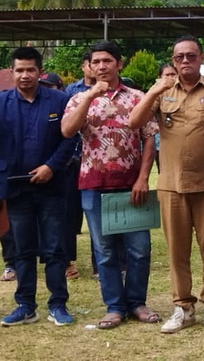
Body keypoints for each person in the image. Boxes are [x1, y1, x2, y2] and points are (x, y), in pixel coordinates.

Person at [129, 35, 204, 334]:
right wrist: (154, 89)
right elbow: (134, 122)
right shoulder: (163, 92)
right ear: (173, 61)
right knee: (177, 251)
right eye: (179, 57)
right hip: (171, 185)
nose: (185, 61)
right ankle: (183, 308)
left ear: (201, 57)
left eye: (191, 56)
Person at [61, 41, 160, 329]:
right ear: (90, 66)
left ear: (120, 64)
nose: (102, 66)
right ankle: (114, 307)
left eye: (107, 61)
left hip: (131, 185)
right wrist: (90, 95)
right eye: (96, 62)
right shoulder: (78, 98)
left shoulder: (137, 97)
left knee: (139, 249)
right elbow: (67, 131)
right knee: (104, 252)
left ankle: (137, 303)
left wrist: (143, 178)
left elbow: (148, 139)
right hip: (94, 184)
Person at [0, 47, 78, 327]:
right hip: (15, 188)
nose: (24, 75)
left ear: (40, 71)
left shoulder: (60, 101)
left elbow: (69, 139)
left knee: (54, 249)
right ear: (12, 73)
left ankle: (58, 304)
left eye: (30, 70)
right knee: (22, 251)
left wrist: (51, 166)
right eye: (19, 70)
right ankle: (25, 305)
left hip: (52, 185)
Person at [62, 51, 95, 281]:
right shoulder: (72, 92)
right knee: (69, 215)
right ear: (85, 66)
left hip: (98, 164)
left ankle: (99, 266)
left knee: (97, 217)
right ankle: (68, 262)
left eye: (105, 61)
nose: (97, 67)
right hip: (73, 161)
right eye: (92, 63)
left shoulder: (120, 90)